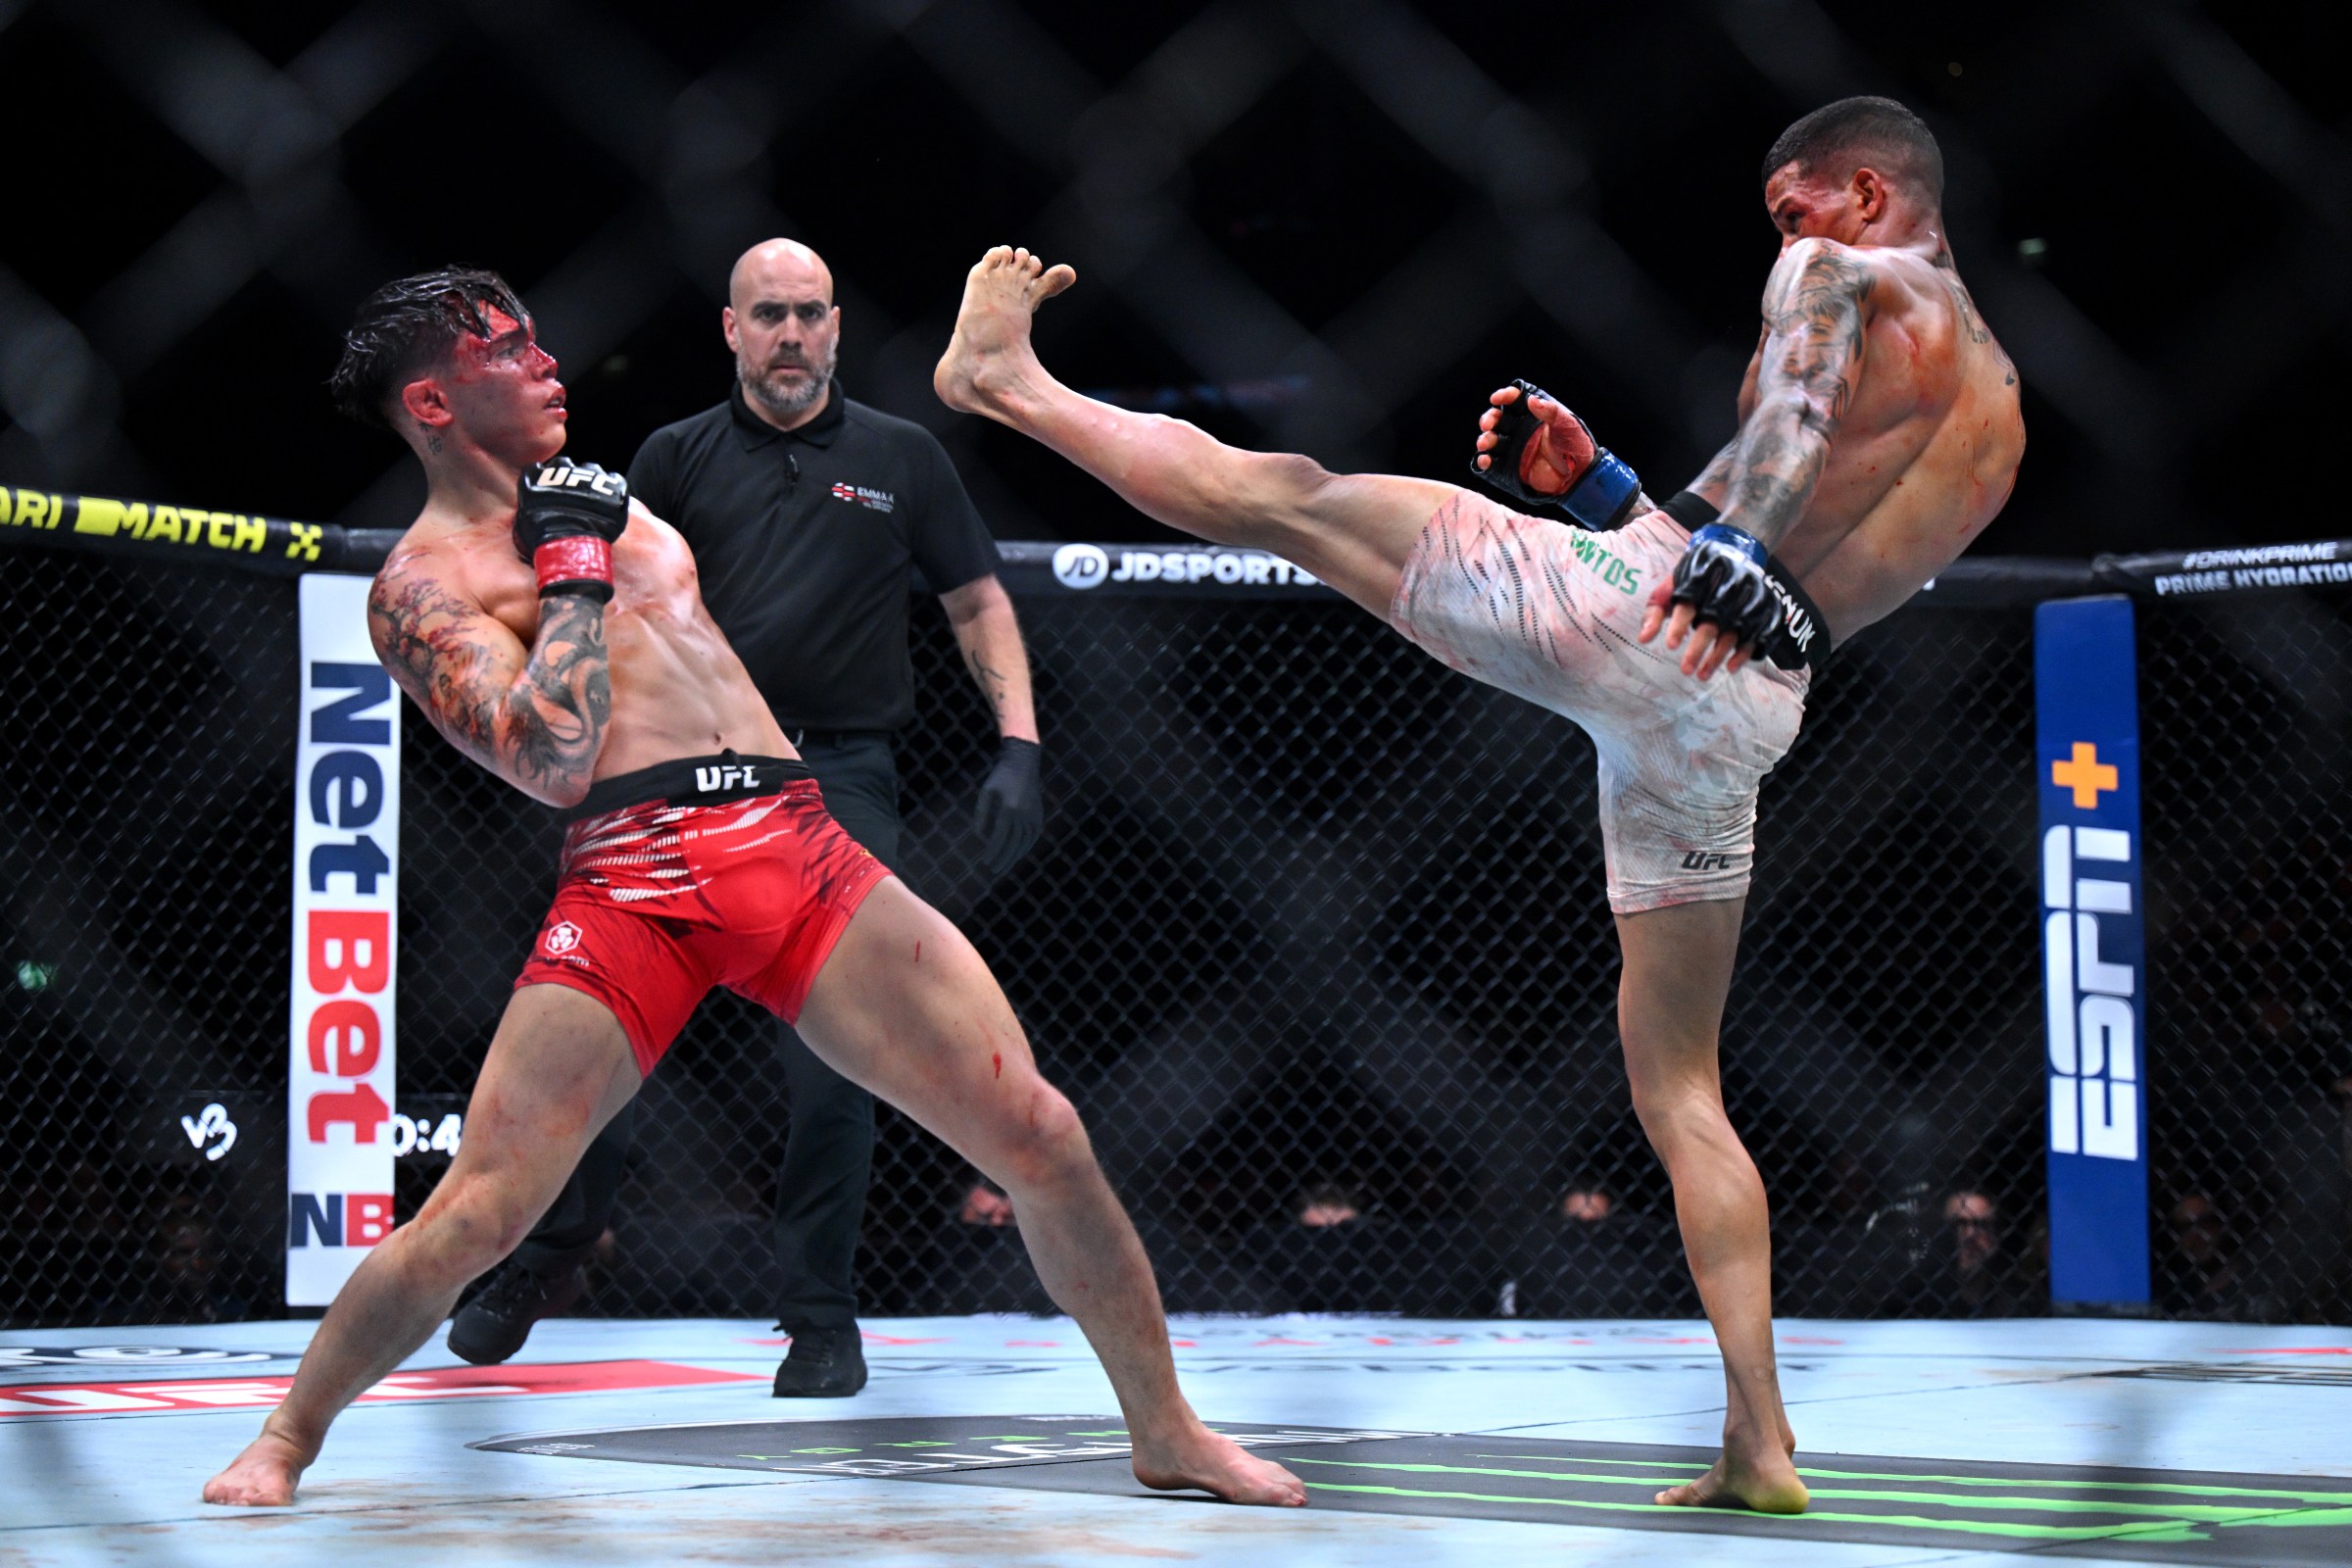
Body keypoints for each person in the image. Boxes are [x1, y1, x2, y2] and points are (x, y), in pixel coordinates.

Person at [930, 95, 2024, 1514]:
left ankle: (1005, 385)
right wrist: (1616, 493)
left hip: (1661, 622)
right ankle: (1761, 1445)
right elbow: (1803, 551)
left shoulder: (1843, 274)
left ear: (1869, 192)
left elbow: (1796, 421)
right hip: (1747, 711)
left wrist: (1732, 533)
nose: (1787, 239)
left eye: (1795, 208)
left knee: (1298, 497)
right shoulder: (1999, 407)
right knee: (1681, 1087)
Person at [202, 267, 1301, 1508]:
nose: (547, 359)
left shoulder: (617, 492)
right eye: (507, 349)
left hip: (796, 840)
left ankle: (1166, 1430)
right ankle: (287, 1436)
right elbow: (548, 757)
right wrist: (568, 568)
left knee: (1040, 1131)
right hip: (635, 873)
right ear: (433, 401)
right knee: (478, 1217)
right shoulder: (421, 586)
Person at [451, 238, 1045, 1398]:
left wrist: (1019, 742)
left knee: (844, 1059)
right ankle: (554, 1249)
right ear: (731, 328)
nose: (790, 334)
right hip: (682, 776)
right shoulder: (671, 459)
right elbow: (600, 602)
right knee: (607, 1032)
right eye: (767, 314)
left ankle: (822, 1318)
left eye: (810, 313)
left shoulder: (903, 456)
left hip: (842, 780)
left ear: (836, 325)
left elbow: (977, 598)